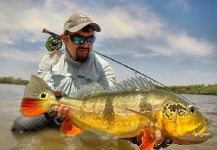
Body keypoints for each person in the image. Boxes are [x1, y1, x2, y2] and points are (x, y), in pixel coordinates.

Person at [11, 13, 171, 149]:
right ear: (65, 39)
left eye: (90, 39)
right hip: (55, 114)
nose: (86, 45)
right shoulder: (50, 60)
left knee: (115, 133)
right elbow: (43, 94)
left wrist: (135, 134)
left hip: (91, 117)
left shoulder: (104, 67)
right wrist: (56, 112)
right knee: (20, 126)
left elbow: (112, 109)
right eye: (79, 40)